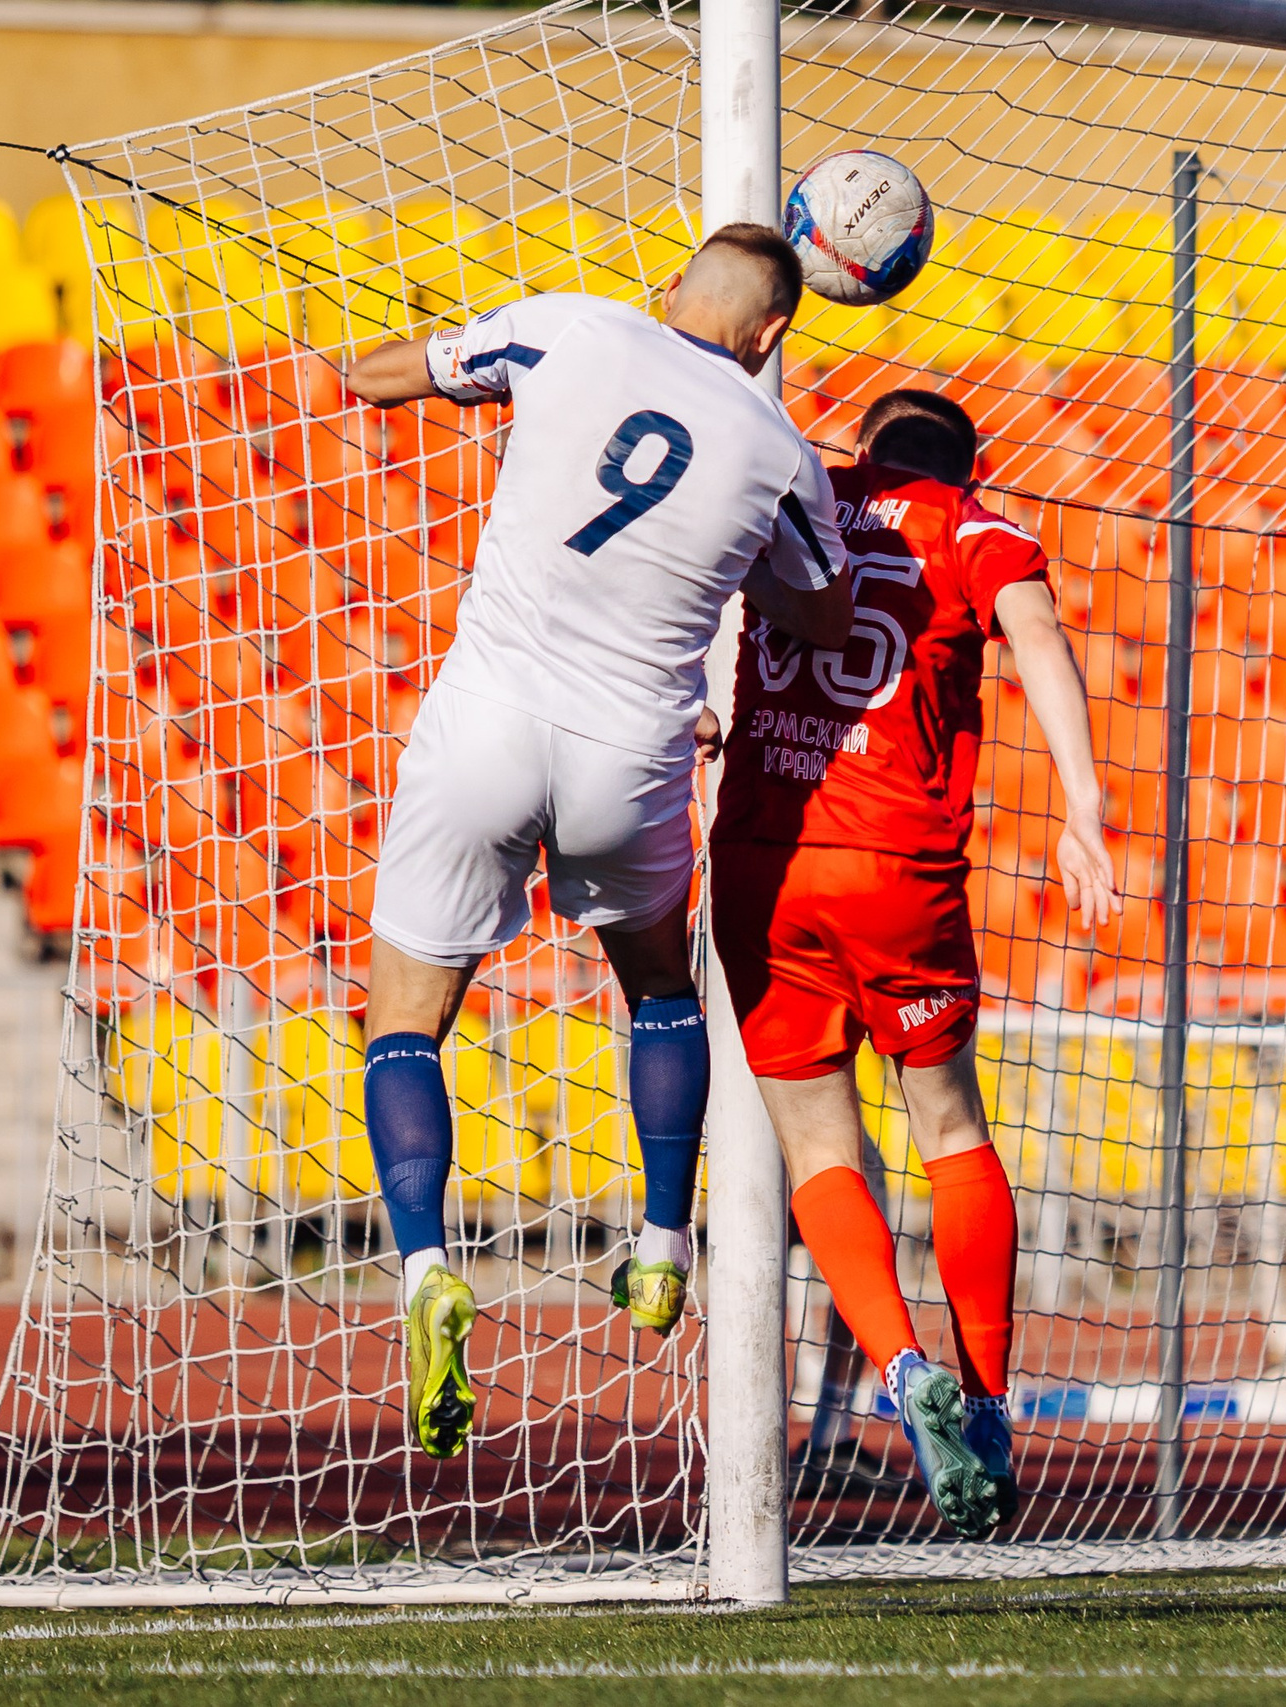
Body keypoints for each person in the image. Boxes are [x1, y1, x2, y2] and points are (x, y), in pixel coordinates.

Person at [339, 225, 853, 1460]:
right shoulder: (779, 448)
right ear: (774, 334)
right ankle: (663, 1246)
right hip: (633, 750)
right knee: (659, 989)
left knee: (404, 1022)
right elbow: (820, 596)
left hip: (487, 726)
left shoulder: (569, 325)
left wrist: (450, 372)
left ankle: (423, 1274)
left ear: (668, 289)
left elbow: (378, 376)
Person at [708, 388, 1116, 1539]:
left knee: (818, 1147)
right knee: (946, 1124)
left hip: (762, 860)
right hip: (896, 864)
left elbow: (689, 575)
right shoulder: (977, 531)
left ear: (861, 453)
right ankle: (982, 1399)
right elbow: (1035, 631)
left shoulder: (801, 504)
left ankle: (897, 1368)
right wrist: (1084, 806)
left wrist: (688, 703)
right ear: (967, 466)